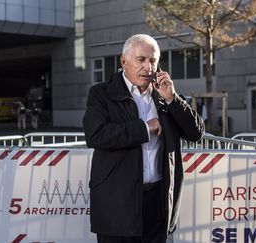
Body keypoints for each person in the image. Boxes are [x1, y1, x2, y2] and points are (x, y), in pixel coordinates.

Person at [83, 34, 205, 243]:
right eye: (141, 60)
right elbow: (96, 136)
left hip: (157, 201)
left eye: (153, 61)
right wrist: (144, 128)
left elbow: (196, 133)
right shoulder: (101, 93)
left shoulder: (164, 94)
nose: (148, 67)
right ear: (124, 62)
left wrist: (173, 100)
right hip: (117, 203)